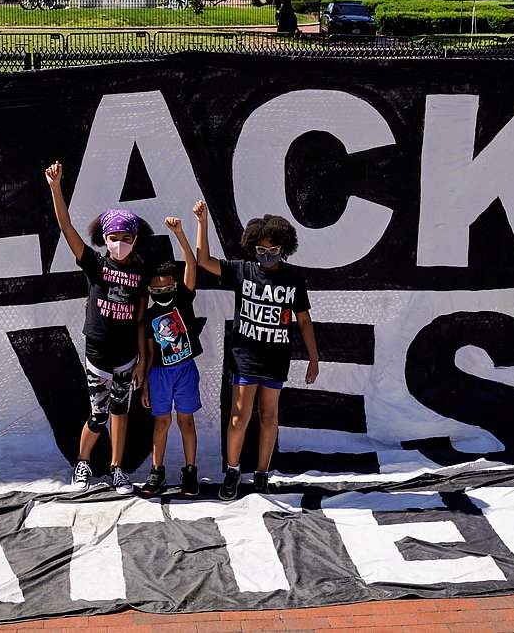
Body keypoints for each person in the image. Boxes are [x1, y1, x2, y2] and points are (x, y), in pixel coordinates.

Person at [193, 200, 319, 500]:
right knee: (239, 417)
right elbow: (203, 261)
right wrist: (202, 223)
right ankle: (233, 471)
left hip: (276, 359)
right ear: (252, 248)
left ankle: (262, 474)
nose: (266, 255)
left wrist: (314, 359)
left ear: (284, 248)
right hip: (244, 358)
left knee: (268, 416)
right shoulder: (243, 270)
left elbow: (304, 320)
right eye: (261, 250)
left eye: (273, 250)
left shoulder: (292, 278)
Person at [46, 161, 151, 493]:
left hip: (127, 357)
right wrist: (55, 187)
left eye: (125, 237)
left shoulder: (142, 271)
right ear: (104, 239)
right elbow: (66, 228)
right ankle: (83, 463)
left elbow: (140, 319)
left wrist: (142, 363)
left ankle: (117, 468)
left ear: (135, 239)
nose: (119, 243)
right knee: (98, 414)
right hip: (97, 354)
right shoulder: (96, 264)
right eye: (113, 237)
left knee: (121, 412)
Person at [140, 217, 202, 497]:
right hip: (160, 374)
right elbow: (149, 351)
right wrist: (144, 384)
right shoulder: (150, 315)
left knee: (186, 421)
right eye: (156, 291)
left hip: (186, 369)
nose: (162, 294)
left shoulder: (184, 300)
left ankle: (190, 471)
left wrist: (179, 232)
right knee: (161, 422)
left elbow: (191, 264)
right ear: (149, 290)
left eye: (167, 289)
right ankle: (157, 470)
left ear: (175, 286)